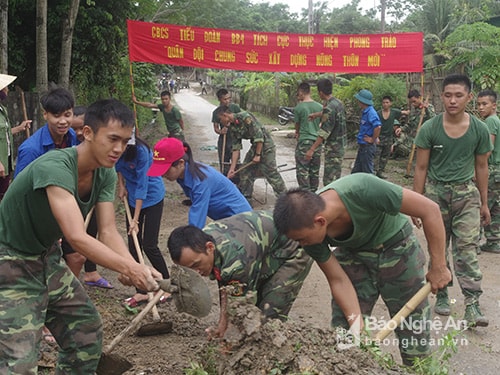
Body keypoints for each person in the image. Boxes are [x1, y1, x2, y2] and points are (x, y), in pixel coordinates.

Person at [0, 98, 162, 374]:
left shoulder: (105, 173)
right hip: (10, 260)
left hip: (45, 257)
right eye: (112, 139)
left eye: (125, 141)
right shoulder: (55, 166)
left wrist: (134, 267)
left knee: (85, 330)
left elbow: (108, 230)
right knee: (20, 362)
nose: (119, 149)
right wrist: (127, 267)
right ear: (87, 133)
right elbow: (76, 236)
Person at [273, 173, 452, 366]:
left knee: (413, 333)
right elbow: (338, 280)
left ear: (320, 221)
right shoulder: (308, 234)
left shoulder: (363, 188)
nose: (301, 244)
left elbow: (430, 210)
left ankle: (419, 370)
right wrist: (356, 326)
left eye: (301, 239)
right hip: (353, 255)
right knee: (345, 335)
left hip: (397, 249)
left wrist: (439, 266)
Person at [413, 74, 491, 327]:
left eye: (459, 95)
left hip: (466, 195)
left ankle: (472, 304)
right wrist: (416, 203)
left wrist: (484, 202)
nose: (452, 101)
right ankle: (442, 294)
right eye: (448, 95)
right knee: (438, 249)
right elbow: (421, 168)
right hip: (435, 197)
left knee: (467, 249)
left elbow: (482, 167)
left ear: (469, 97)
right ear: (442, 97)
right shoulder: (430, 129)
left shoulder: (480, 129)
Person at [167, 210, 313, 339]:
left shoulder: (235, 259)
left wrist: (230, 339)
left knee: (269, 311)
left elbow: (241, 307)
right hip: (265, 247)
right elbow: (225, 286)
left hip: (296, 246)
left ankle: (271, 355)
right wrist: (221, 326)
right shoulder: (203, 240)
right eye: (189, 269)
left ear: (209, 248)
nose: (196, 272)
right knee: (255, 304)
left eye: (196, 265)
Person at [61, 105, 113, 290]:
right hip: (64, 207)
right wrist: (128, 268)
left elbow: (109, 231)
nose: (77, 133)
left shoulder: (106, 169)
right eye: (73, 129)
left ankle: (86, 277)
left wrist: (130, 268)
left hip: (85, 201)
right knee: (75, 254)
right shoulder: (62, 154)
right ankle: (67, 294)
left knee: (90, 234)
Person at [147, 137, 251, 228]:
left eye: (165, 170)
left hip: (241, 220)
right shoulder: (184, 173)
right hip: (225, 219)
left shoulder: (200, 181)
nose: (162, 175)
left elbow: (197, 221)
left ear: (181, 163)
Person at [116, 135, 171, 307]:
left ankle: (167, 287)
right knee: (133, 245)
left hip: (152, 197)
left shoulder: (142, 152)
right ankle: (141, 292)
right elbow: (118, 168)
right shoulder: (115, 147)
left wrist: (136, 219)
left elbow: (142, 185)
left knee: (149, 245)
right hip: (132, 197)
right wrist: (121, 185)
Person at [217, 106, 287, 204]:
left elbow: (259, 136)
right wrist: (232, 169)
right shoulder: (232, 127)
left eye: (220, 119)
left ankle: (286, 200)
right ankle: (246, 199)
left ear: (225, 115)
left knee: (271, 173)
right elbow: (236, 148)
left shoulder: (245, 117)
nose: (220, 121)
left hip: (266, 146)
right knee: (245, 171)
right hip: (255, 146)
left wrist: (258, 155)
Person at [13, 87, 79, 178]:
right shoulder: (31, 150)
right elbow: (19, 188)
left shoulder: (75, 137)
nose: (63, 121)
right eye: (57, 116)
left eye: (67, 115)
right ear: (45, 115)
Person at [307, 78, 347, 185]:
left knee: (330, 180)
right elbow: (331, 114)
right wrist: (317, 115)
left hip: (334, 148)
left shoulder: (329, 108)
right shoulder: (338, 103)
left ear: (320, 92)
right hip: (341, 145)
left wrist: (312, 149)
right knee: (336, 175)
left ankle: (331, 200)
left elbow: (324, 132)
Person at [0, 74, 31, 200]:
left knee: (4, 194)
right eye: (5, 88)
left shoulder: (2, 109)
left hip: (6, 160)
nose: (7, 90)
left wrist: (19, 128)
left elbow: (3, 134)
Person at [477, 90, 500, 254]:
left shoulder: (491, 122)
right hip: (497, 170)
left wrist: (476, 169)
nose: (480, 108)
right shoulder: (496, 120)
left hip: (490, 170)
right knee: (494, 207)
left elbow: (487, 150)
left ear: (494, 105)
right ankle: (493, 240)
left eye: (484, 104)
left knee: (480, 204)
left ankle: (472, 242)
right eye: (478, 104)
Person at [293, 82, 323, 192]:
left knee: (302, 170)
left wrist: (297, 133)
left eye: (298, 93)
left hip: (304, 142)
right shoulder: (320, 106)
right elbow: (322, 124)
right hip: (317, 143)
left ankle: (305, 195)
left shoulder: (299, 108)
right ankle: (314, 193)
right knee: (314, 171)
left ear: (301, 92)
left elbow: (297, 125)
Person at [393, 89, 435, 158]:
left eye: (414, 101)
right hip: (414, 137)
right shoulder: (413, 110)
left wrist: (427, 109)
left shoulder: (428, 107)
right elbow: (410, 124)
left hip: (426, 136)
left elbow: (433, 120)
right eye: (411, 102)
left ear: (419, 98)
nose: (413, 104)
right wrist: (401, 128)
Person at [211, 88, 241, 178]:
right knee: (224, 164)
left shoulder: (235, 108)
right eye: (225, 99)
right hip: (223, 140)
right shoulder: (216, 112)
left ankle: (237, 184)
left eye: (229, 98)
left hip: (235, 139)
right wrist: (221, 131)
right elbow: (216, 128)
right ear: (219, 99)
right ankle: (225, 181)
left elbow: (240, 120)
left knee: (236, 164)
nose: (227, 101)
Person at [351, 89, 381, 174]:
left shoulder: (371, 112)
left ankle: (372, 187)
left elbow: (378, 126)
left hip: (367, 146)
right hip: (363, 146)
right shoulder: (365, 112)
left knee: (367, 172)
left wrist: (373, 139)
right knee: (356, 171)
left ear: (362, 101)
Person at [375, 96, 402, 179]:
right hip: (380, 136)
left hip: (389, 137)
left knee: (385, 156)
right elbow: (375, 125)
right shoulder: (378, 113)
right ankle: (373, 172)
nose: (385, 104)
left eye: (387, 102)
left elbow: (405, 112)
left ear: (390, 103)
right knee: (376, 155)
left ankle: (380, 172)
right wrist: (376, 137)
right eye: (383, 102)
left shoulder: (394, 112)